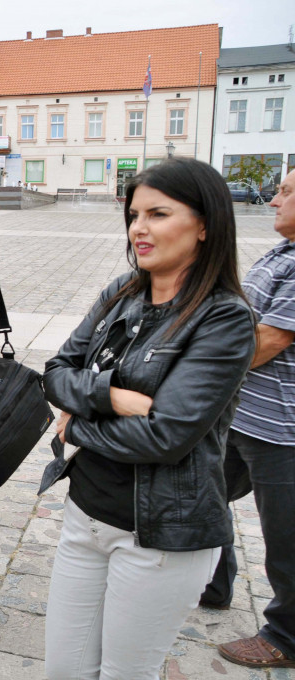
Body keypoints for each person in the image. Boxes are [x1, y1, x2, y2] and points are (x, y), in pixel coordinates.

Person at [40, 158, 256, 680]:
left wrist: (78, 424)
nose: (139, 228)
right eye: (134, 213)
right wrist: (112, 397)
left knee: (124, 675)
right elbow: (55, 372)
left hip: (160, 535)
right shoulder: (122, 293)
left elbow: (166, 435)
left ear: (205, 224)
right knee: (64, 672)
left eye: (159, 213)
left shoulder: (224, 317)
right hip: (86, 515)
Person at [208, 168, 295, 670]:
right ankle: (213, 584)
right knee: (206, 495)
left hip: (281, 426)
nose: (274, 200)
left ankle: (287, 636)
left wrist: (208, 366)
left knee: (285, 532)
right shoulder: (282, 251)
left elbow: (273, 337)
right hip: (245, 414)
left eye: (286, 192)